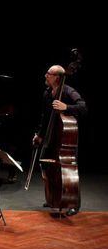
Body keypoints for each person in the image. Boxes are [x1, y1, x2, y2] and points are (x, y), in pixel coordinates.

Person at [32, 65, 87, 216]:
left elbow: (83, 107)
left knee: (69, 172)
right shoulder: (47, 93)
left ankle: (73, 204)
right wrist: (40, 134)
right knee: (49, 169)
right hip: (51, 137)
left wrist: (66, 107)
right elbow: (45, 118)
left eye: (48, 73)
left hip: (65, 139)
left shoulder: (69, 91)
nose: (45, 75)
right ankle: (54, 198)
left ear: (57, 77)